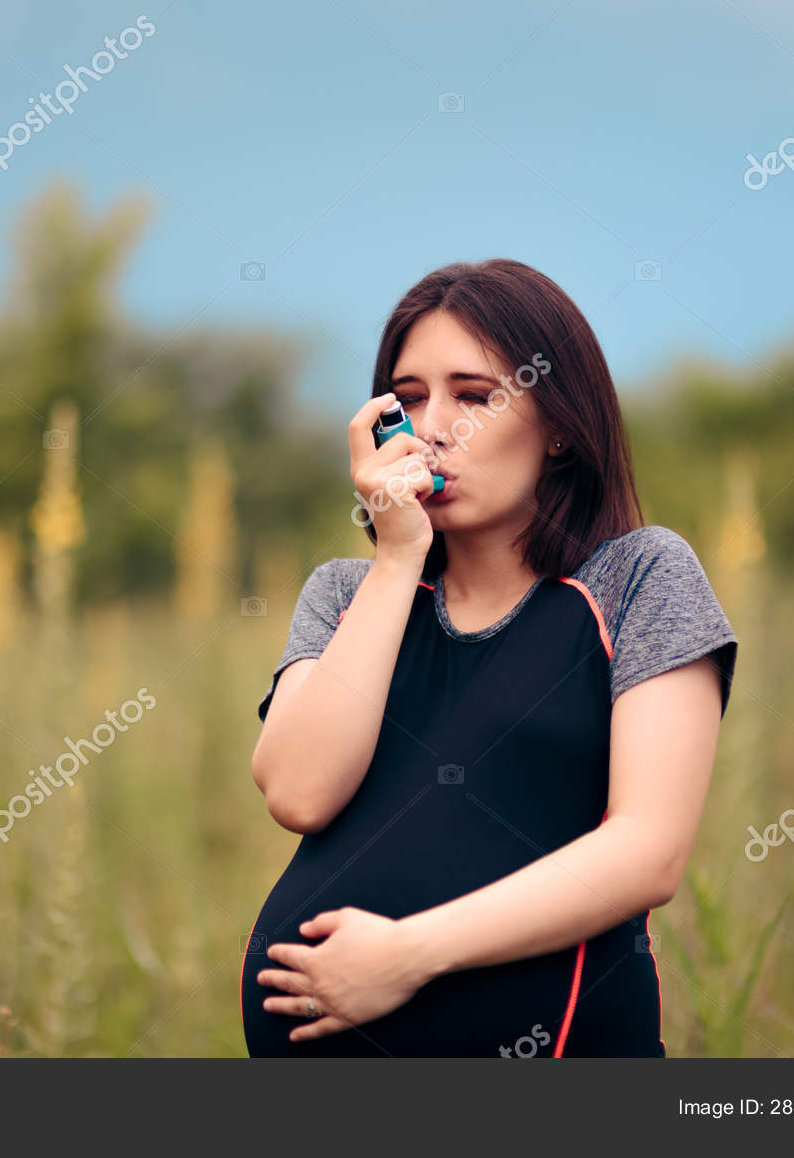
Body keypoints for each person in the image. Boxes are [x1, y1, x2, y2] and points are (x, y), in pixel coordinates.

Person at [240, 258, 738, 1057]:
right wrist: (397, 557)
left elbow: (649, 853)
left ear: (560, 424)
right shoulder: (344, 594)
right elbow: (300, 792)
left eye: (473, 396)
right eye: (407, 400)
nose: (432, 428)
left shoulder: (638, 578)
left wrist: (408, 955)